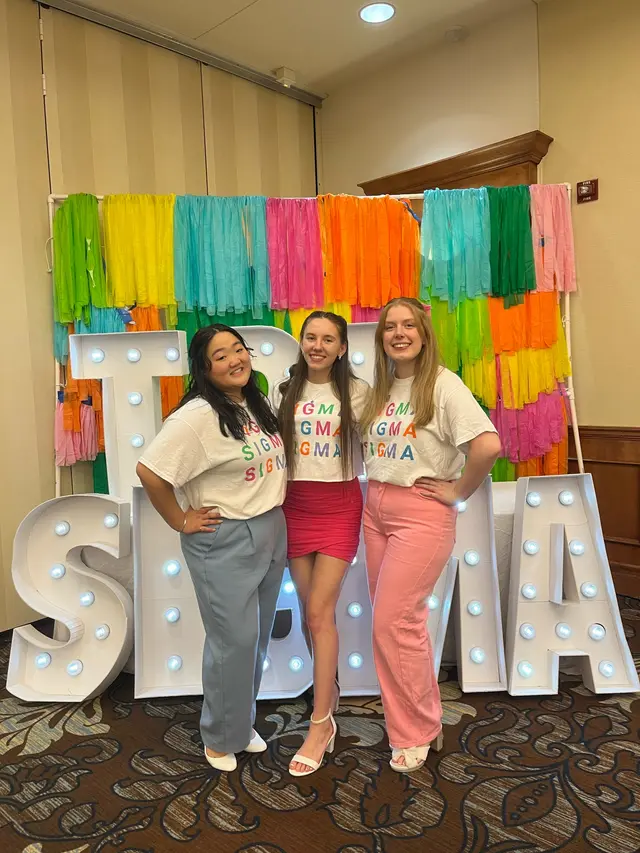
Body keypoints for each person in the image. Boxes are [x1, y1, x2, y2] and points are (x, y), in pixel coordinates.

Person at [136, 324, 287, 773]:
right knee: (232, 642)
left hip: (270, 527)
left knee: (253, 639)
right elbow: (150, 472)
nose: (235, 359)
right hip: (226, 539)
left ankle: (240, 723)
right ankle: (219, 738)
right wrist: (180, 519)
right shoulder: (196, 417)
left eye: (239, 349)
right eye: (220, 356)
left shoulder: (254, 403)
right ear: (204, 368)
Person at [360, 297, 501, 773]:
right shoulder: (381, 387)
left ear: (423, 334)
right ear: (381, 337)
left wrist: (458, 490)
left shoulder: (442, 384)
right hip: (375, 511)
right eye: (390, 326)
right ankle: (422, 721)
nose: (399, 333)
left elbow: (487, 445)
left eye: (408, 325)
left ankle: (415, 731)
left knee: (392, 623)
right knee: (399, 626)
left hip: (419, 515)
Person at [276, 311, 368, 777]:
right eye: (310, 337)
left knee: (318, 612)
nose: (318, 345)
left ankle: (319, 724)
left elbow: (381, 444)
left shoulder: (358, 393)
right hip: (295, 507)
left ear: (342, 348)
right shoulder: (284, 391)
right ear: (302, 343)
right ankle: (328, 698)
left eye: (328, 339)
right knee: (311, 615)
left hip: (338, 508)